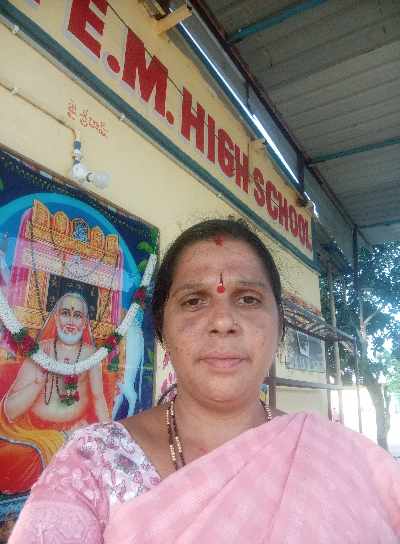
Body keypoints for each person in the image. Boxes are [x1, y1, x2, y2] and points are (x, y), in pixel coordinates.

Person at [8, 219, 400, 543]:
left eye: (248, 299)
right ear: (162, 328)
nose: (223, 321)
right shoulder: (92, 465)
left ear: (280, 325)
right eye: (194, 301)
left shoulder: (341, 460)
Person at [0, 292, 110, 493]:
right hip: (33, 436)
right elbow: (10, 411)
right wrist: (37, 383)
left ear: (84, 322)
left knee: (96, 458)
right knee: (12, 461)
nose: (71, 321)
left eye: (77, 315)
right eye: (65, 313)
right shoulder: (39, 352)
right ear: (56, 317)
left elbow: (98, 397)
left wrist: (110, 437)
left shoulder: (91, 356)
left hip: (75, 432)